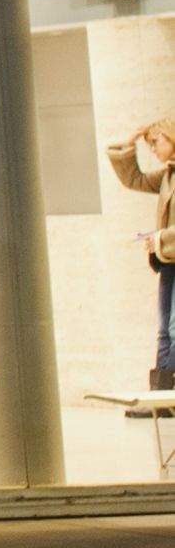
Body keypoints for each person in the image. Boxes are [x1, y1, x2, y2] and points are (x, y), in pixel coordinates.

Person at [109, 118, 175, 389]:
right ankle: (161, 393)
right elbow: (133, 179)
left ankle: (167, 393)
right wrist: (128, 144)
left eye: (156, 142)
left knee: (173, 329)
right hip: (170, 261)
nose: (153, 149)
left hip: (169, 256)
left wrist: (158, 238)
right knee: (164, 330)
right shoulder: (168, 175)